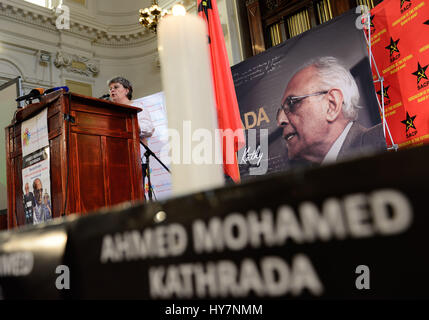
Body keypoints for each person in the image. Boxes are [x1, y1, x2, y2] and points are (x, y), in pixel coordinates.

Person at [276, 56, 386, 165]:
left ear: (331, 105)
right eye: (281, 111)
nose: (281, 120)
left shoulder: (385, 140)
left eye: (291, 103)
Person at [108, 77, 155, 196]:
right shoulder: (109, 111)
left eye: (116, 87)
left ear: (127, 90)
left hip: (136, 160)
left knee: (136, 194)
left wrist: (130, 124)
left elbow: (148, 129)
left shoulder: (138, 108)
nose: (112, 90)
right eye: (110, 89)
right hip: (115, 160)